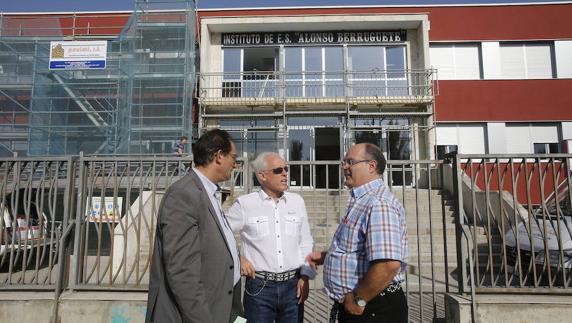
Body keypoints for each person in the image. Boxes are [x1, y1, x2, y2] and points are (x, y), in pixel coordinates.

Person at [146, 129, 242, 323]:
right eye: (233, 157)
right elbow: (182, 271)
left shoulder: (209, 192)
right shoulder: (184, 194)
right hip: (195, 315)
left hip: (217, 308)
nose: (235, 163)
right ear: (219, 156)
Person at [306, 143, 408, 323]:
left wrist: (359, 299)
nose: (344, 167)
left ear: (371, 166)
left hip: (372, 308)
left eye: (350, 162)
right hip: (365, 305)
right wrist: (326, 256)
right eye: (343, 162)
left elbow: (388, 264)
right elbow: (358, 249)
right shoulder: (362, 200)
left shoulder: (378, 204)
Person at [226, 152, 315, 323]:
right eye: (278, 170)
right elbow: (220, 234)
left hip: (293, 286)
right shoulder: (245, 204)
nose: (285, 174)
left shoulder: (297, 202)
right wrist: (239, 258)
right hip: (260, 288)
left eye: (286, 169)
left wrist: (305, 276)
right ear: (262, 176)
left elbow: (305, 241)